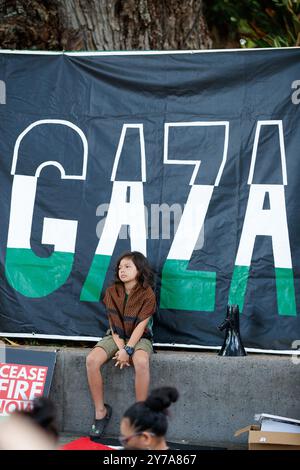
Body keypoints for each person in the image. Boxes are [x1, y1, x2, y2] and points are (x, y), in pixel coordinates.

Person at [86, 251, 156, 439]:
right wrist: (121, 348)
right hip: (116, 336)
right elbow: (113, 324)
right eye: (120, 267)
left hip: (140, 337)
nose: (122, 270)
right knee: (92, 360)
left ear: (139, 270)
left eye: (127, 267)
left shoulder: (147, 293)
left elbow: (142, 326)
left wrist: (129, 349)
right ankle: (101, 412)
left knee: (141, 362)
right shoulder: (111, 291)